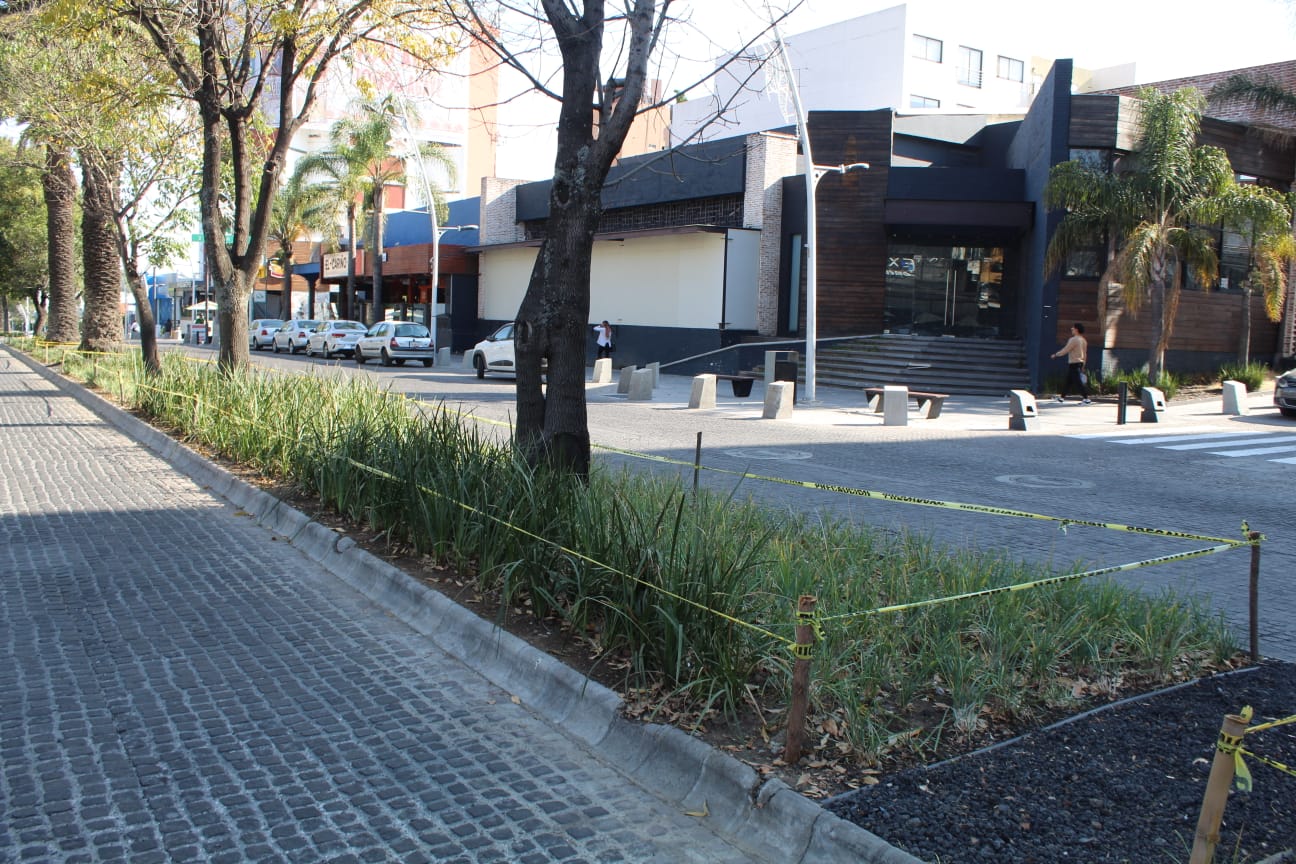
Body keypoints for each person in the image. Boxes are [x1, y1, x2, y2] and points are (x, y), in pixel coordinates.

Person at [1052, 322, 1091, 404]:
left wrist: (1056, 355)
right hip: (1079, 363)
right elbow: (1085, 353)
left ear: (1076, 329)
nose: (1071, 329)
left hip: (1074, 363)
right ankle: (1062, 398)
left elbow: (1066, 349)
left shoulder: (1073, 340)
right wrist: (1083, 364)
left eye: (1073, 328)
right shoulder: (1083, 340)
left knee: (1078, 382)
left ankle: (1086, 399)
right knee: (1068, 381)